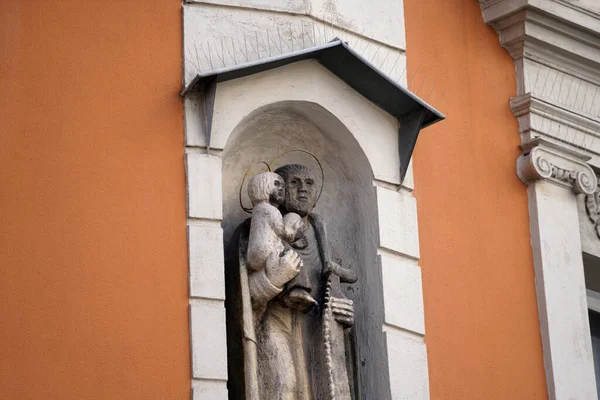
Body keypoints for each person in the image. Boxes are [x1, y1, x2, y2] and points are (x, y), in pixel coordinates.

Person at [229, 163, 357, 400]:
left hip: (317, 335)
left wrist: (346, 316)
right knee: (282, 386)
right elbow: (242, 303)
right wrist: (272, 280)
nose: (302, 190)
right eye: (294, 183)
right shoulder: (255, 230)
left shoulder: (325, 245)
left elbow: (335, 293)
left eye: (309, 184)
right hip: (274, 324)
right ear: (277, 190)